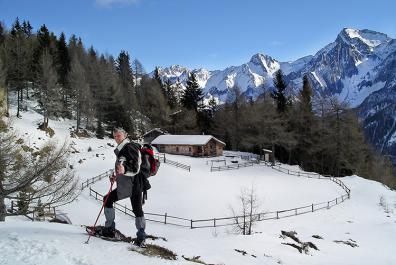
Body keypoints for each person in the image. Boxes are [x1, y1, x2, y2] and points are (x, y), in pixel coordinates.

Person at [102, 127, 147, 247]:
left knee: (109, 200)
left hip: (133, 184)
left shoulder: (130, 147)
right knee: (136, 209)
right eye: (115, 136)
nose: (116, 138)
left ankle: (110, 229)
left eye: (119, 136)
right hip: (130, 184)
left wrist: (124, 169)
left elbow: (135, 167)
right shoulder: (123, 148)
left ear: (125, 135)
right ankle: (140, 236)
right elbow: (122, 166)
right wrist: (116, 176)